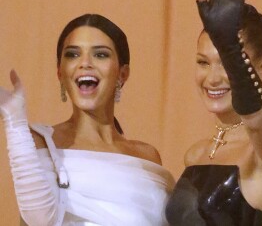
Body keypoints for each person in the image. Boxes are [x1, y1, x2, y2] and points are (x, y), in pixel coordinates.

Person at [0, 14, 174, 226]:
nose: (85, 64)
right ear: (60, 73)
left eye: (100, 55)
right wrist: (14, 120)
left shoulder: (148, 157)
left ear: (122, 74)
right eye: (72, 55)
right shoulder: (41, 142)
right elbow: (38, 220)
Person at [166, 0, 262, 225]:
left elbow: (257, 121)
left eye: (227, 63)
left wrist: (231, 48)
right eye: (203, 62)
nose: (213, 78)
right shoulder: (195, 154)